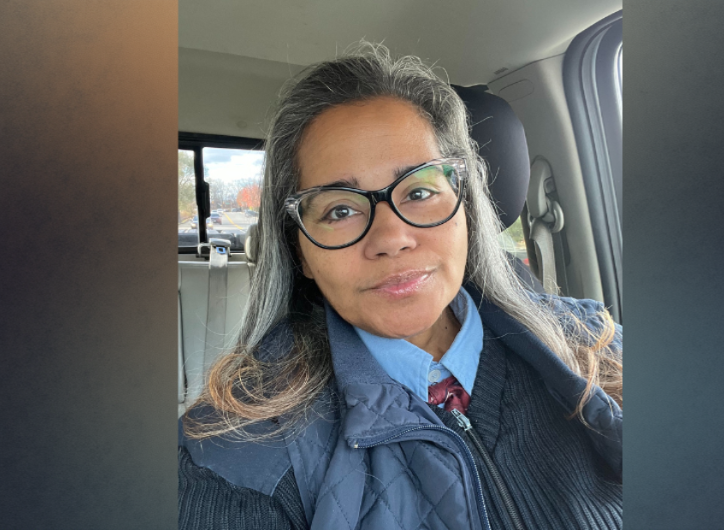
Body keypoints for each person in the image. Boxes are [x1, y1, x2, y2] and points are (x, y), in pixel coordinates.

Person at [179, 43, 622, 530]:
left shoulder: (600, 344)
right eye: (340, 210)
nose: (391, 238)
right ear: (299, 250)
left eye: (419, 191)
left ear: (467, 208)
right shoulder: (233, 452)